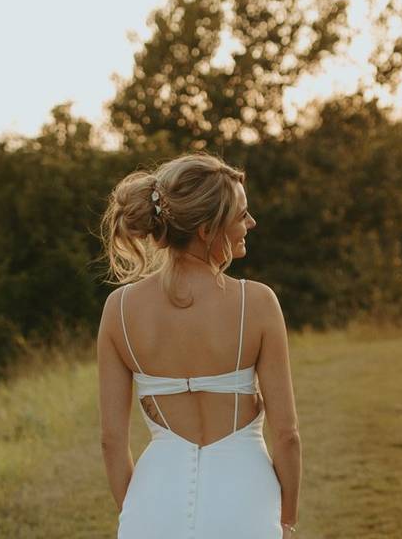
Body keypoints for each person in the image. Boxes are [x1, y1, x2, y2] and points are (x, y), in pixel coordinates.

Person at [97, 153, 301, 538]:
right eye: (242, 214)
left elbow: (111, 441)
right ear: (207, 229)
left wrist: (137, 513)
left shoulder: (118, 309)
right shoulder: (256, 303)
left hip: (154, 499)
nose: (251, 223)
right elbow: (287, 434)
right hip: (246, 499)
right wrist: (286, 519)